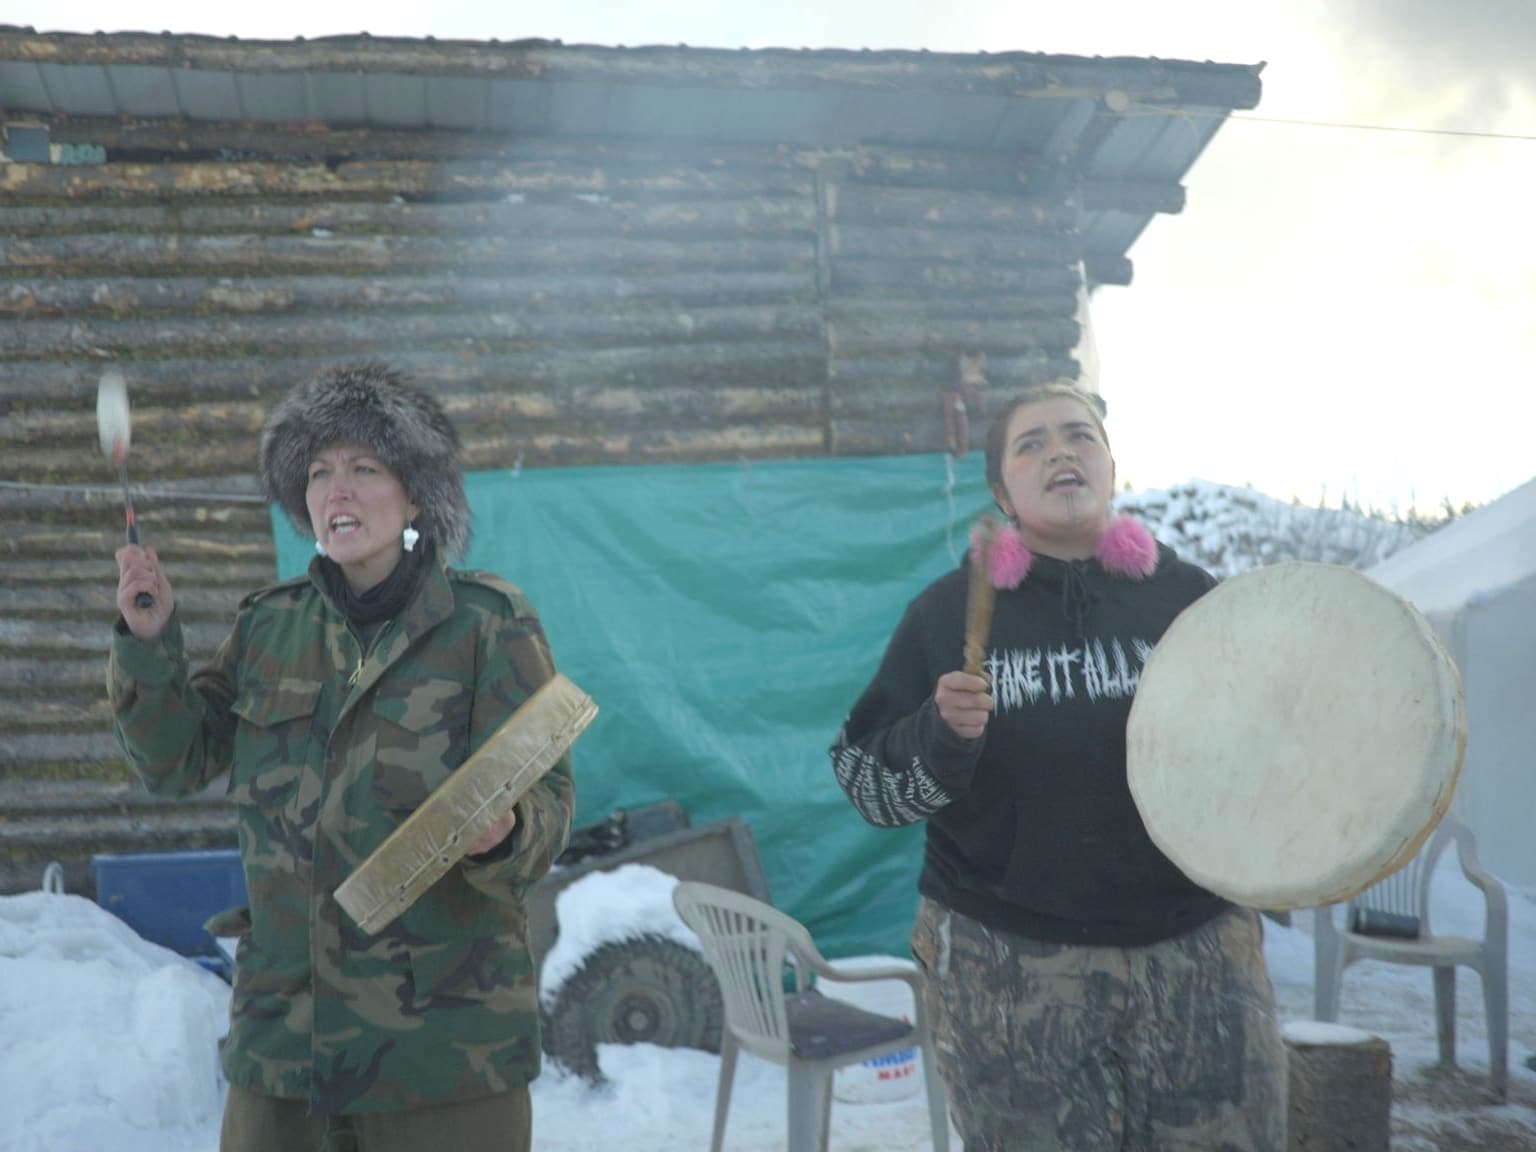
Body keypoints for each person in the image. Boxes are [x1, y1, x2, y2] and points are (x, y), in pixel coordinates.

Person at [108, 362, 574, 1152]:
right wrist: (149, 644)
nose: (338, 491)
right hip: (288, 1047)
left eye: (365, 469)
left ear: (416, 495)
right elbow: (174, 763)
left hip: (445, 1055)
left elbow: (551, 800)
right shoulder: (266, 629)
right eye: (320, 474)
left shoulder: (487, 626)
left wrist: (511, 830)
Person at [830, 381, 1285, 1151]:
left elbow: (1257, 751)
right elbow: (868, 786)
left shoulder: (1187, 599)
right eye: (1031, 443)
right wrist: (938, 736)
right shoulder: (947, 614)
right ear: (1000, 489)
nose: (1060, 452)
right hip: (1011, 962)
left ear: (1112, 463)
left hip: (1197, 950)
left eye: (1079, 435)